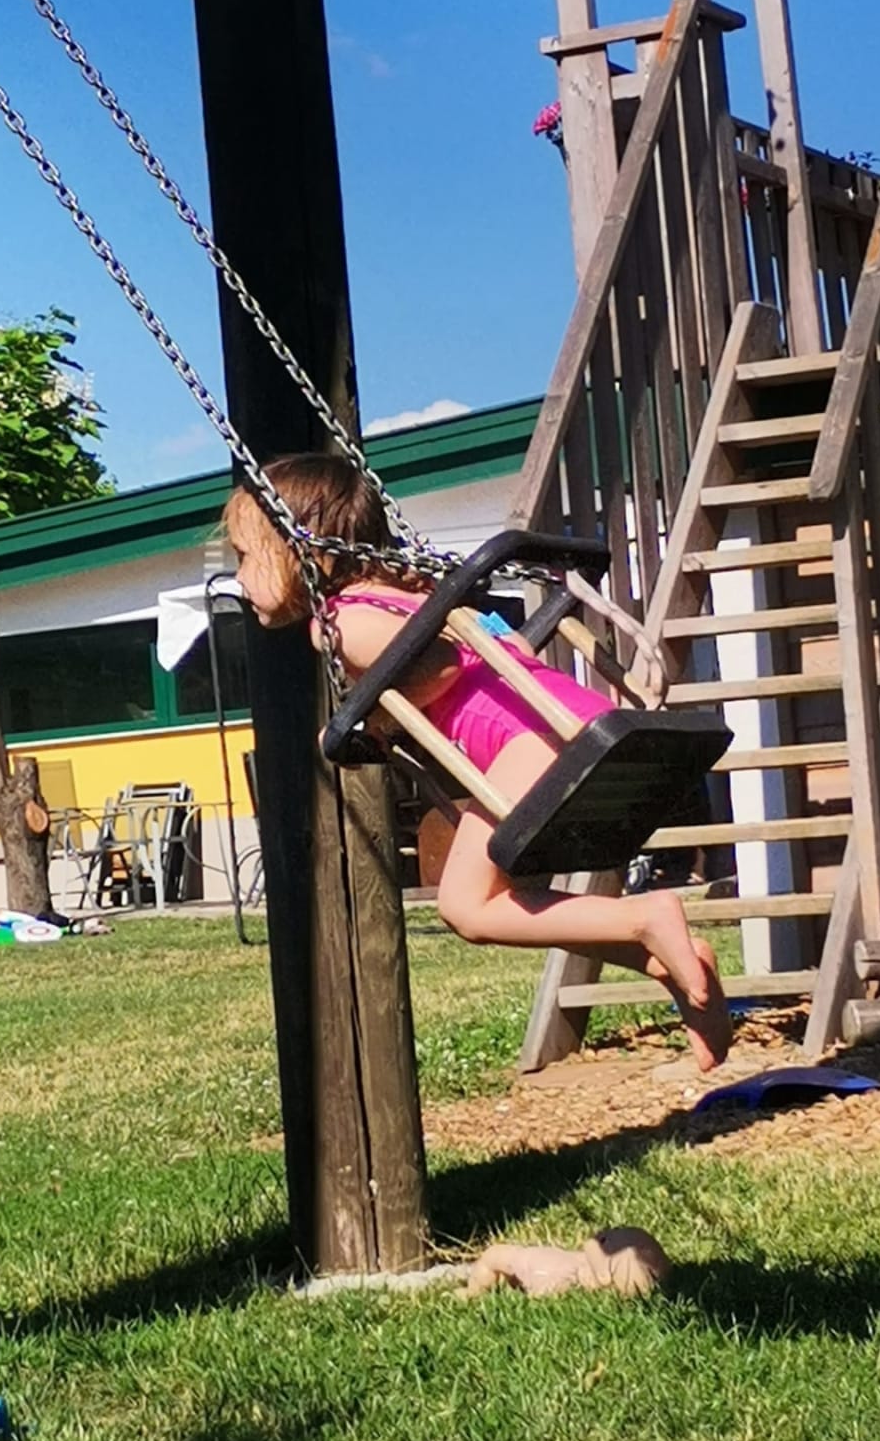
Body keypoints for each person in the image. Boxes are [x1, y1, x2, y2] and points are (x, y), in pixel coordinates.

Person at [225, 454, 731, 1073]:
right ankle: (676, 971)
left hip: (525, 737)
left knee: (465, 907)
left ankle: (646, 915)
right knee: (517, 903)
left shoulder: (340, 622)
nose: (239, 577)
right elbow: (488, 648)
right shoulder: (411, 595)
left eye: (244, 556)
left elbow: (436, 668)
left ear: (301, 547)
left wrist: (373, 717)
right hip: (565, 714)